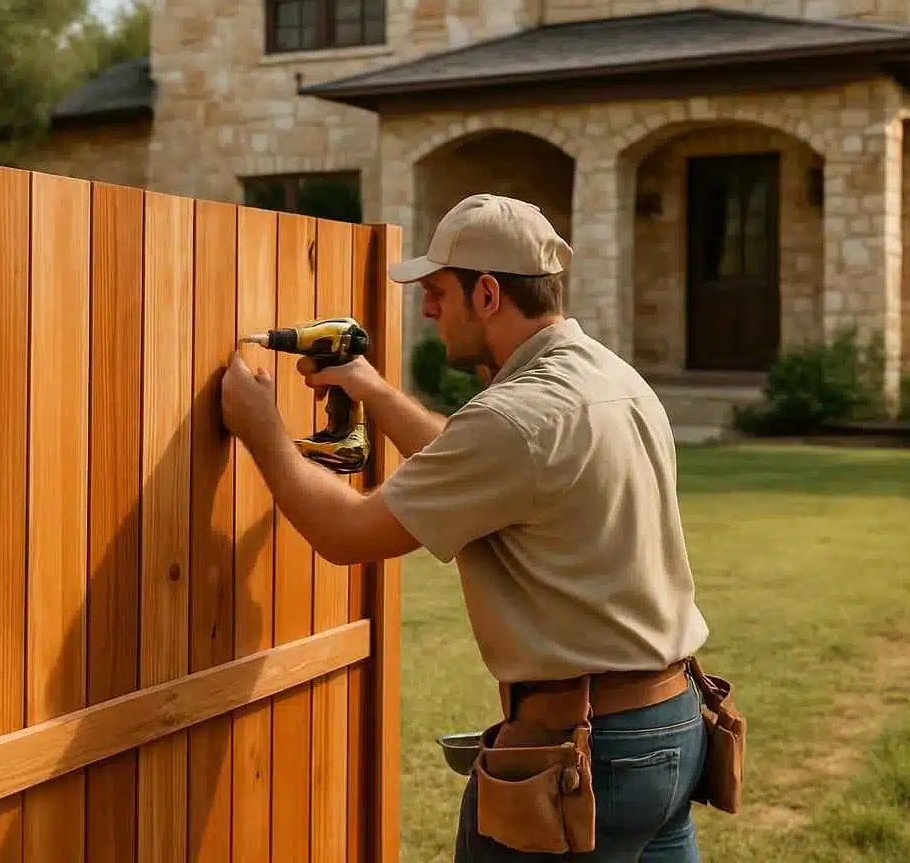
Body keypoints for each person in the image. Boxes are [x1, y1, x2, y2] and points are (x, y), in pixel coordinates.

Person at [219, 192, 719, 861]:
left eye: (437, 292)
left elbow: (346, 534)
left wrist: (262, 431)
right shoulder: (610, 378)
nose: (427, 310)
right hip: (673, 725)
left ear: (487, 294)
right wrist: (370, 388)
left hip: (583, 749)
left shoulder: (516, 418)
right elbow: (483, 468)